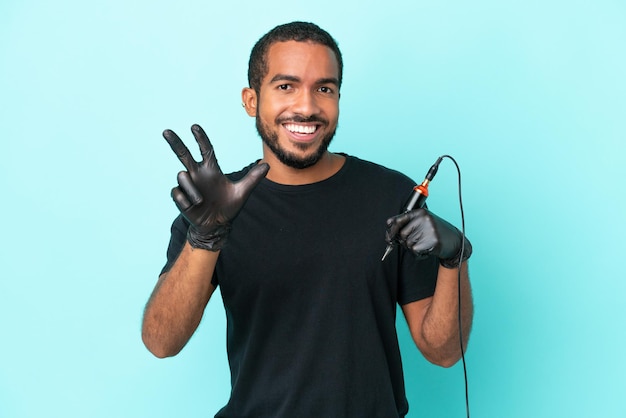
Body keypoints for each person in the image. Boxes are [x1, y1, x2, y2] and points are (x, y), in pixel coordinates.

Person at [142, 21, 474, 418]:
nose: (307, 107)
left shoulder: (392, 196)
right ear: (251, 100)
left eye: (324, 88)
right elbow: (161, 342)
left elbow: (444, 353)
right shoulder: (214, 208)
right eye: (286, 86)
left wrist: (454, 259)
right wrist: (205, 238)